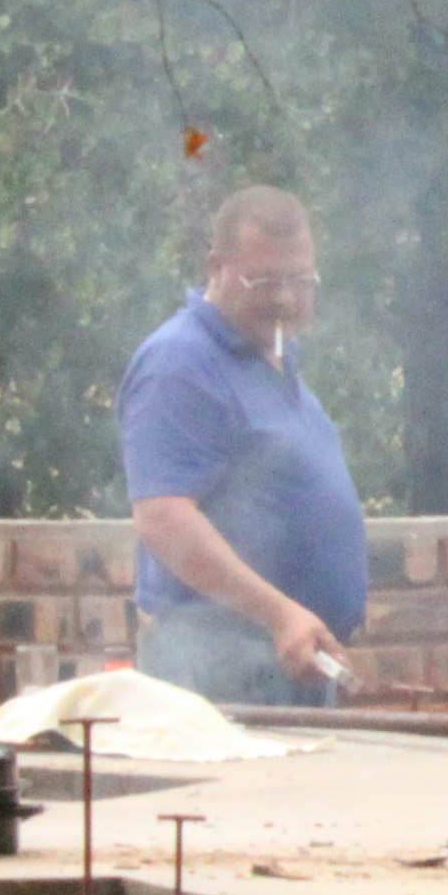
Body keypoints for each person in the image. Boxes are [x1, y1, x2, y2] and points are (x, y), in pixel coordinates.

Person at [120, 186, 367, 708]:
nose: (285, 299)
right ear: (217, 267)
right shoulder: (180, 362)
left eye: (300, 281)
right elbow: (163, 518)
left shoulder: (272, 361)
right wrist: (281, 615)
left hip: (288, 660)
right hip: (218, 666)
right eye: (265, 281)